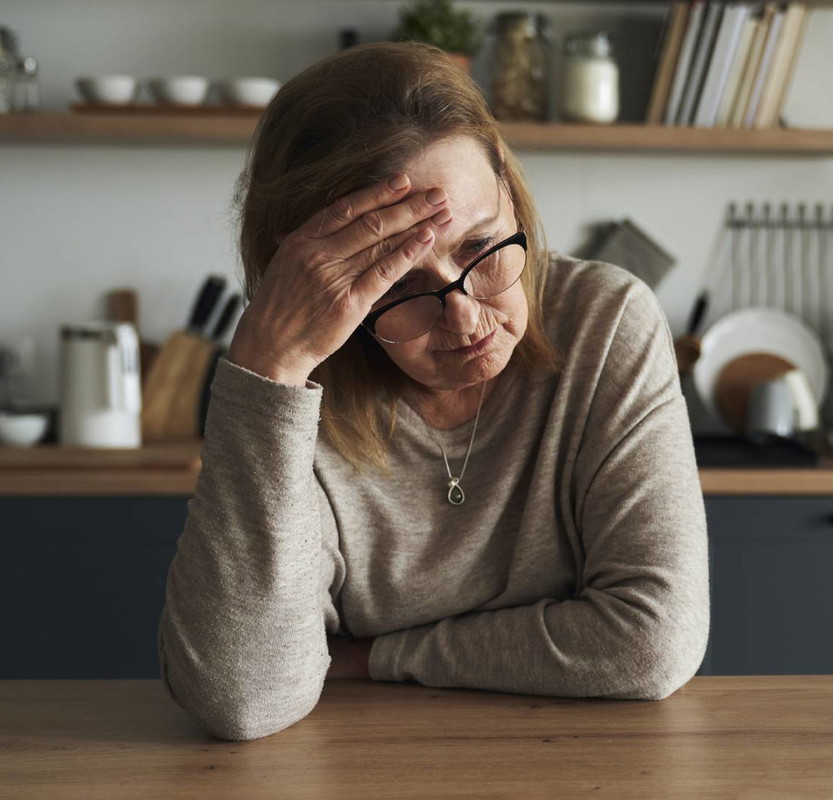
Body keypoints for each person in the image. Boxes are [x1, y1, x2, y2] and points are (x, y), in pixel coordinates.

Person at [157, 42, 709, 742]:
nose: (466, 317)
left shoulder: (606, 321)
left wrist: (382, 656)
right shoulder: (295, 386)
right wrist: (268, 374)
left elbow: (651, 643)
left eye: (481, 249)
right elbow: (244, 697)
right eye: (399, 286)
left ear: (508, 186)